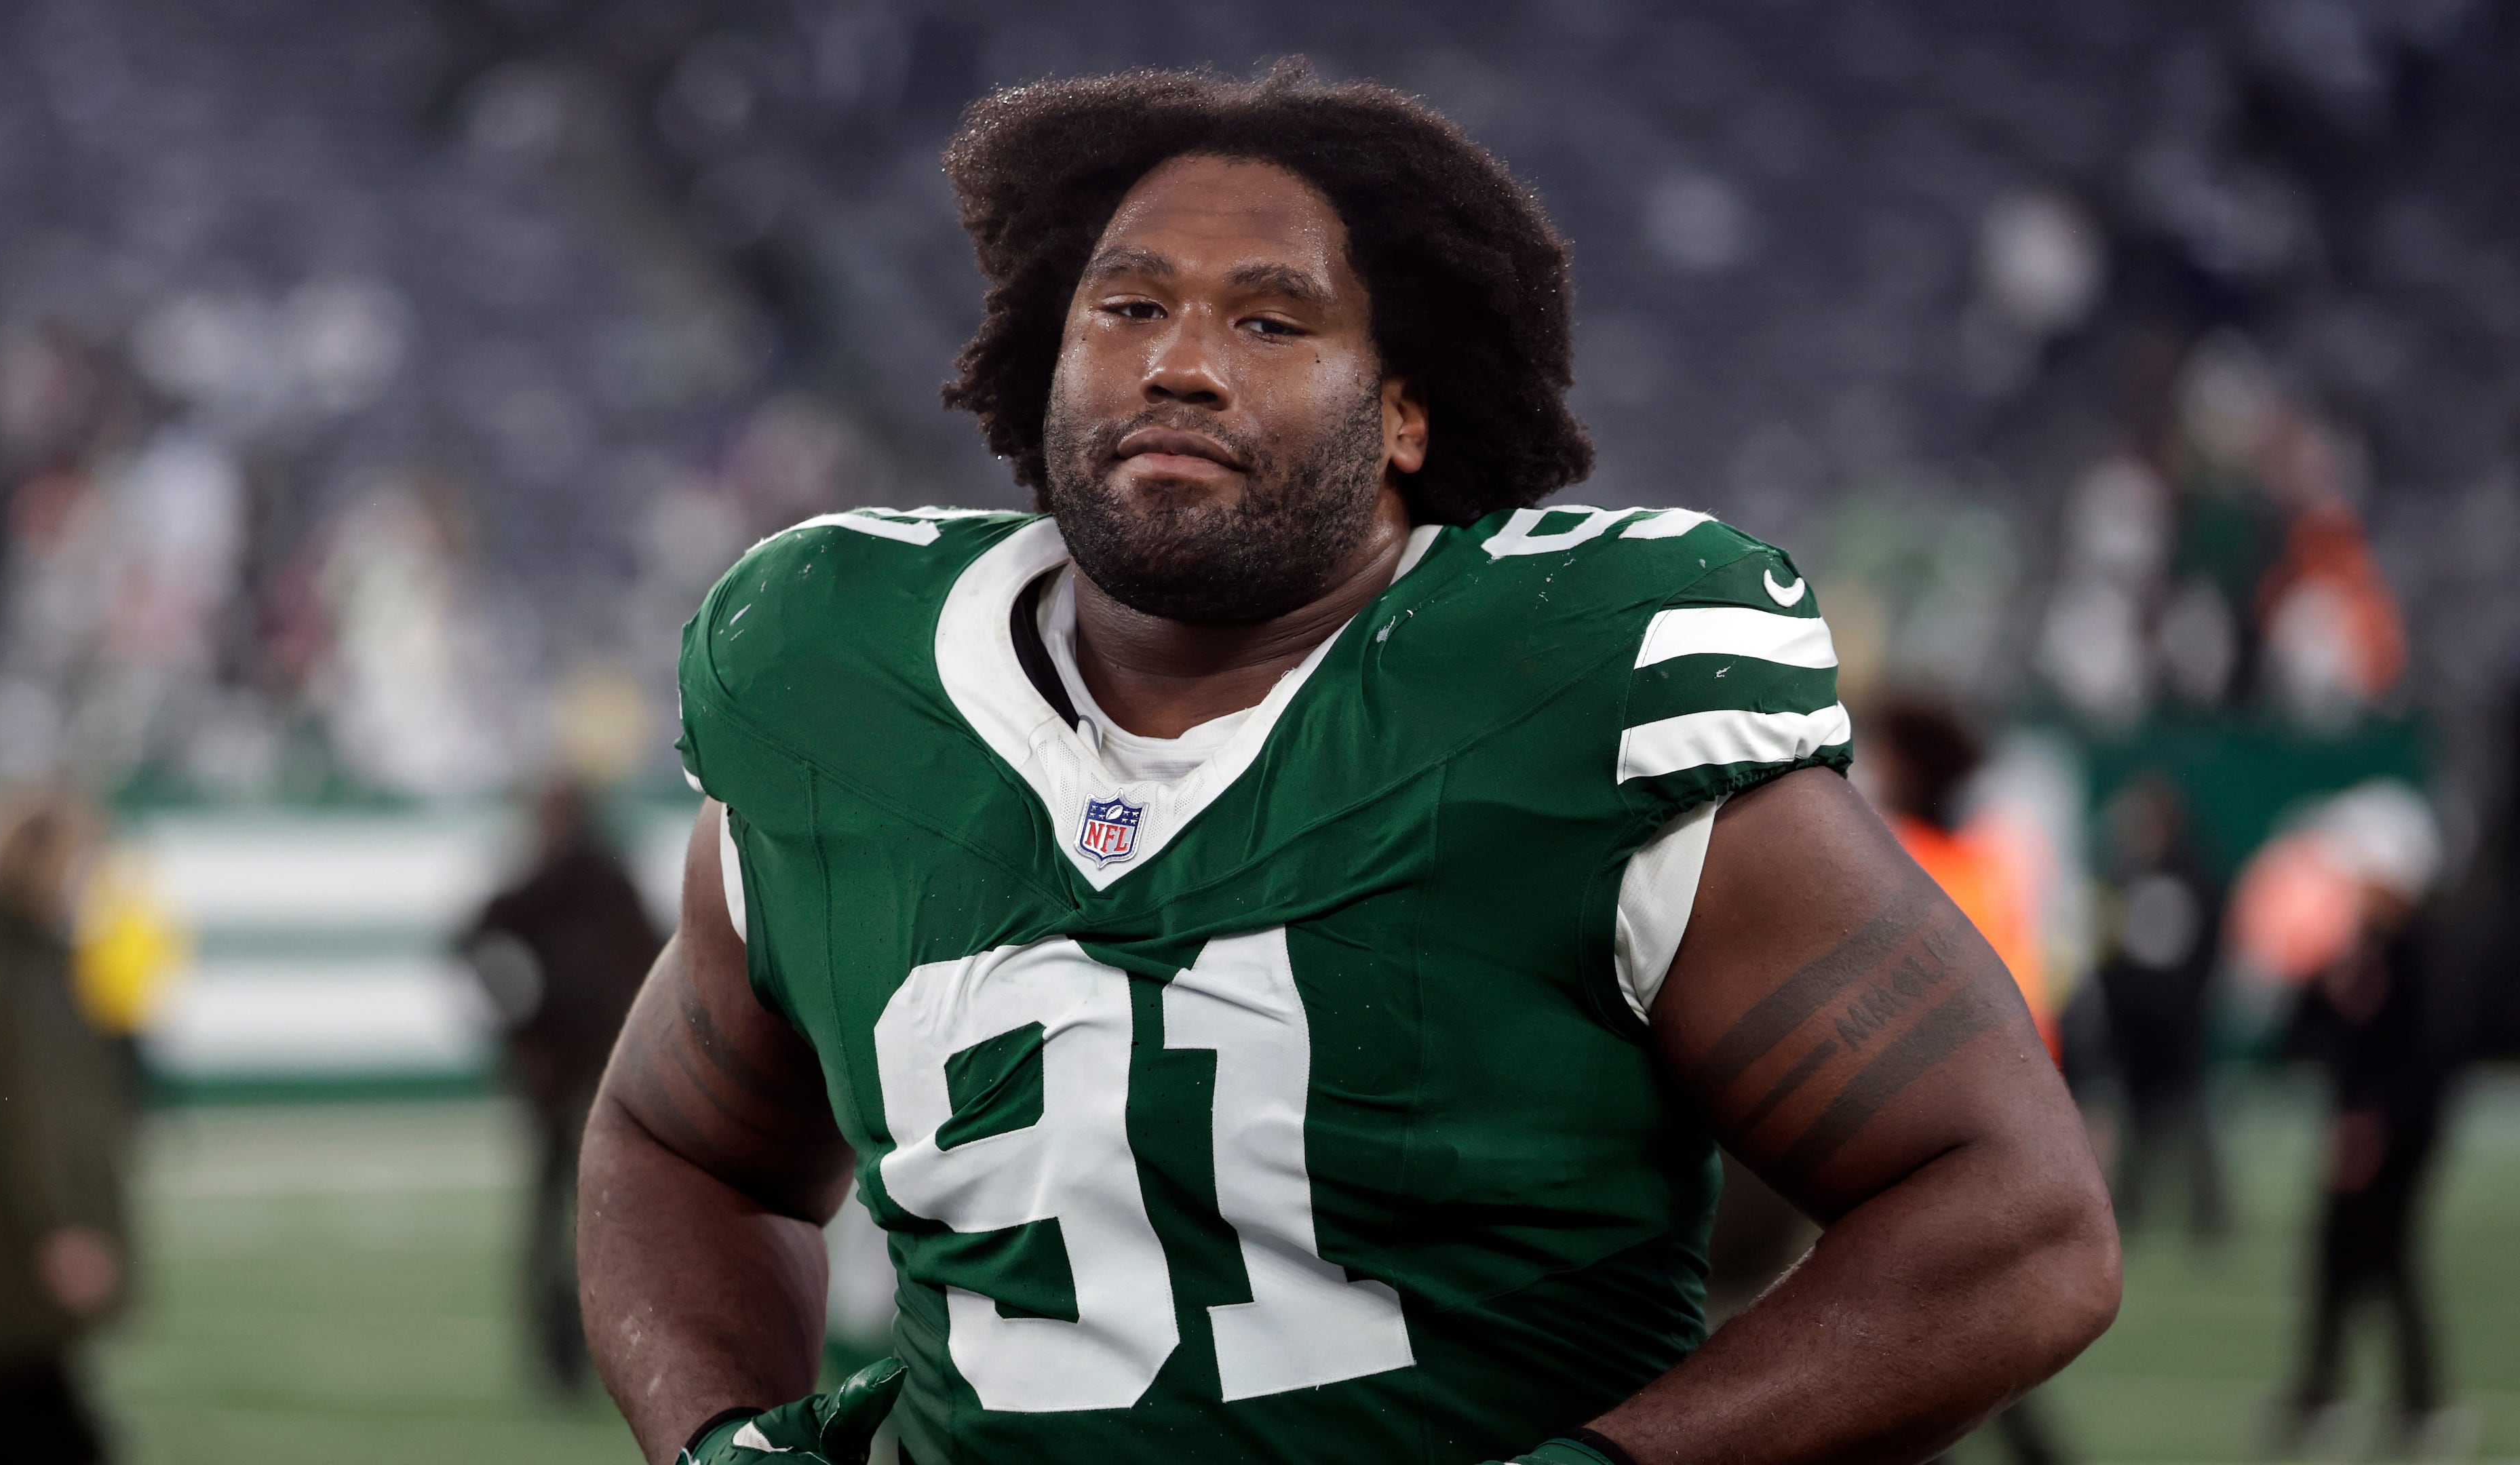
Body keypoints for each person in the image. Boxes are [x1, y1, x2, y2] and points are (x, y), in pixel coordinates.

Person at [579, 63, 2120, 1465]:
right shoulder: (840, 683)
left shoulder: (1560, 694)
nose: (1179, 365)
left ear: (1400, 414)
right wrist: (718, 1440)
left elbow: (2013, 1218)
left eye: (1266, 318)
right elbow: (677, 1144)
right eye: (1126, 308)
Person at [1856, 695, 2075, 1465]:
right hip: (2001, 1109)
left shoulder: (1900, 851)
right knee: (1961, 1317)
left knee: (1925, 1322)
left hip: (1927, 1118)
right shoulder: (1987, 856)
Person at [0, 791, 132, 1465]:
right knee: (43, 1424)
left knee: (16, 1419)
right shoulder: (23, 976)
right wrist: (63, 1225)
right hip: (15, 1246)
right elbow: (33, 1120)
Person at [2276, 784, 2464, 1456]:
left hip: (2397, 1136)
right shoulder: (2365, 945)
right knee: (2336, 1258)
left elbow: (2427, 1053)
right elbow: (2309, 1029)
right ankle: (2323, 1390)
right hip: (2361, 1128)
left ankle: (2420, 1400)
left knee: (2388, 1260)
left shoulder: (2422, 949)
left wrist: (2376, 1122)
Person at [461, 773, 660, 1393]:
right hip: (596, 1073)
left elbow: (475, 943)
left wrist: (518, 1030)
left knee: (566, 1214)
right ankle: (579, 1351)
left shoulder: (552, 883)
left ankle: (562, 1353)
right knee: (596, 1215)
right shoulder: (603, 883)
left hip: (571, 1074)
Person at [2095, 775, 2226, 1236]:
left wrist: (2184, 1003)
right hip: (2132, 1025)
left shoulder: (2194, 879)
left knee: (2190, 1116)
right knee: (2131, 1119)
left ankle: (2208, 1211)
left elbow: (2208, 949)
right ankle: (2127, 1207)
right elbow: (2107, 952)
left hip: (2179, 1023)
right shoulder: (2119, 880)